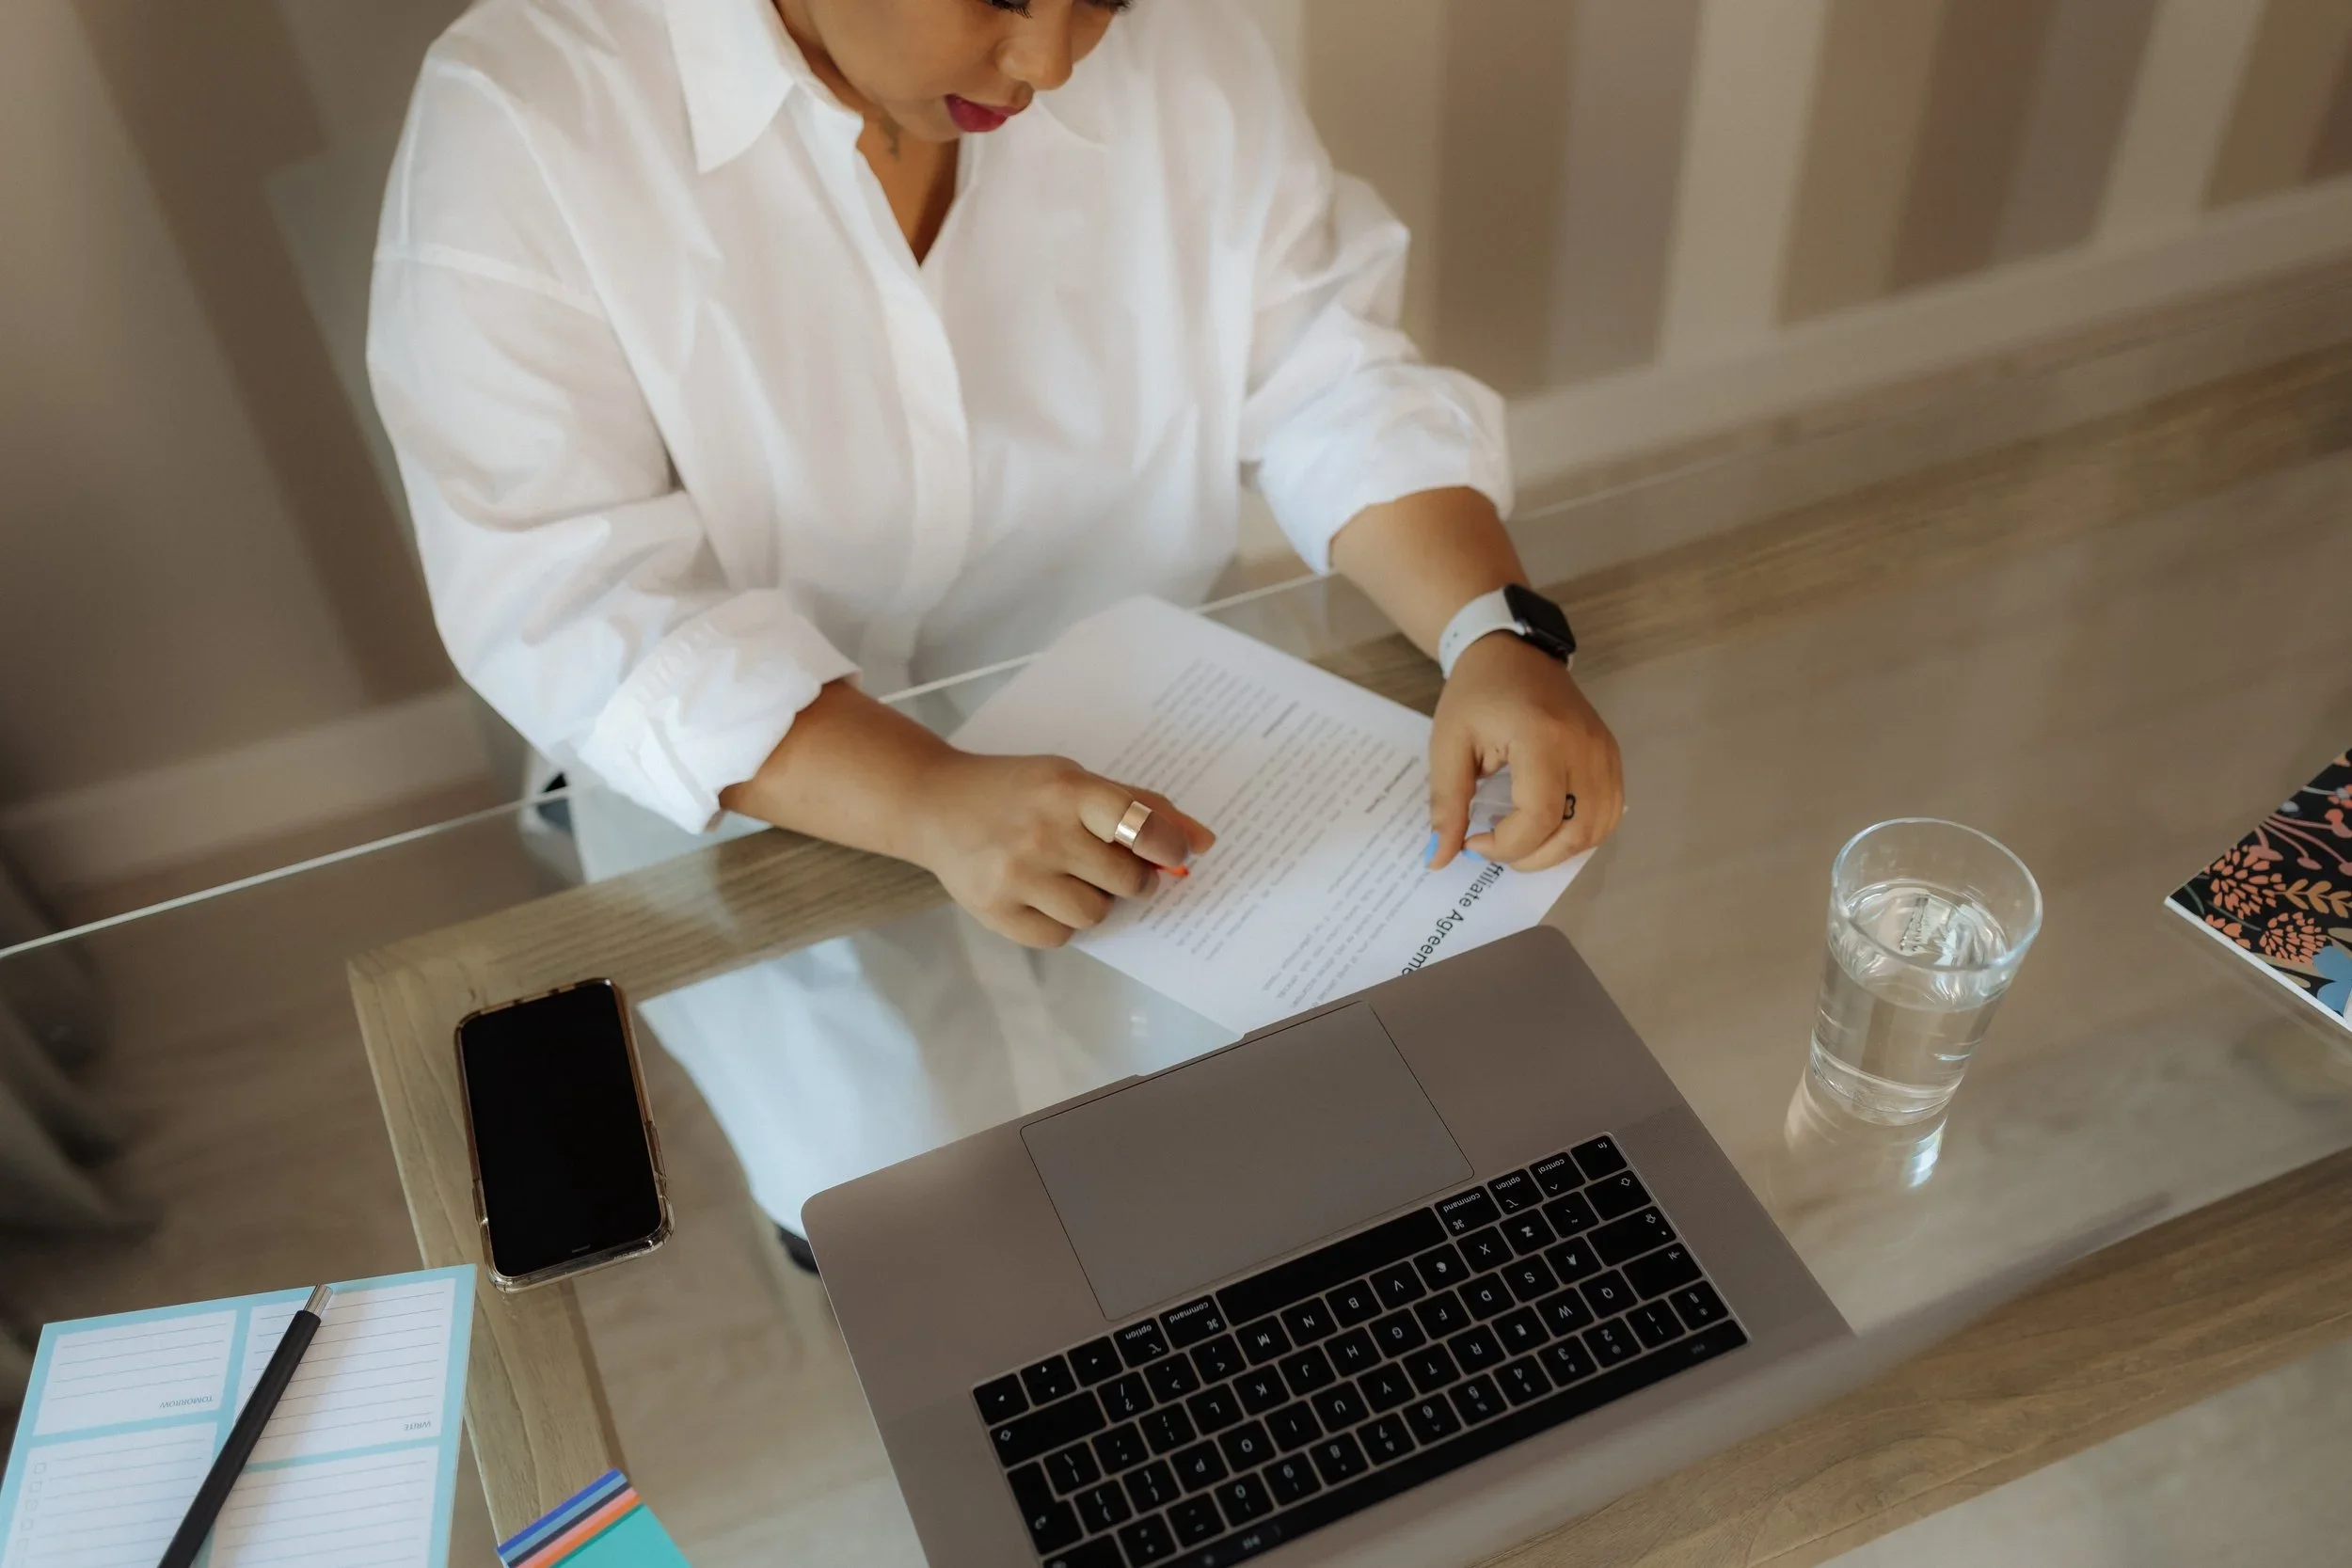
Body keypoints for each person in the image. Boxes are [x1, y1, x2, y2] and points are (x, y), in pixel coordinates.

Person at [367, 0, 1624, 1259]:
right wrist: (930, 800)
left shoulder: (1184, 45)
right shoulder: (524, 113)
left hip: (1147, 708)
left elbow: (1327, 368)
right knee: (920, 1218)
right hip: (760, 781)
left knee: (1297, 1140)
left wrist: (1494, 629)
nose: (1056, 61)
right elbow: (567, 591)